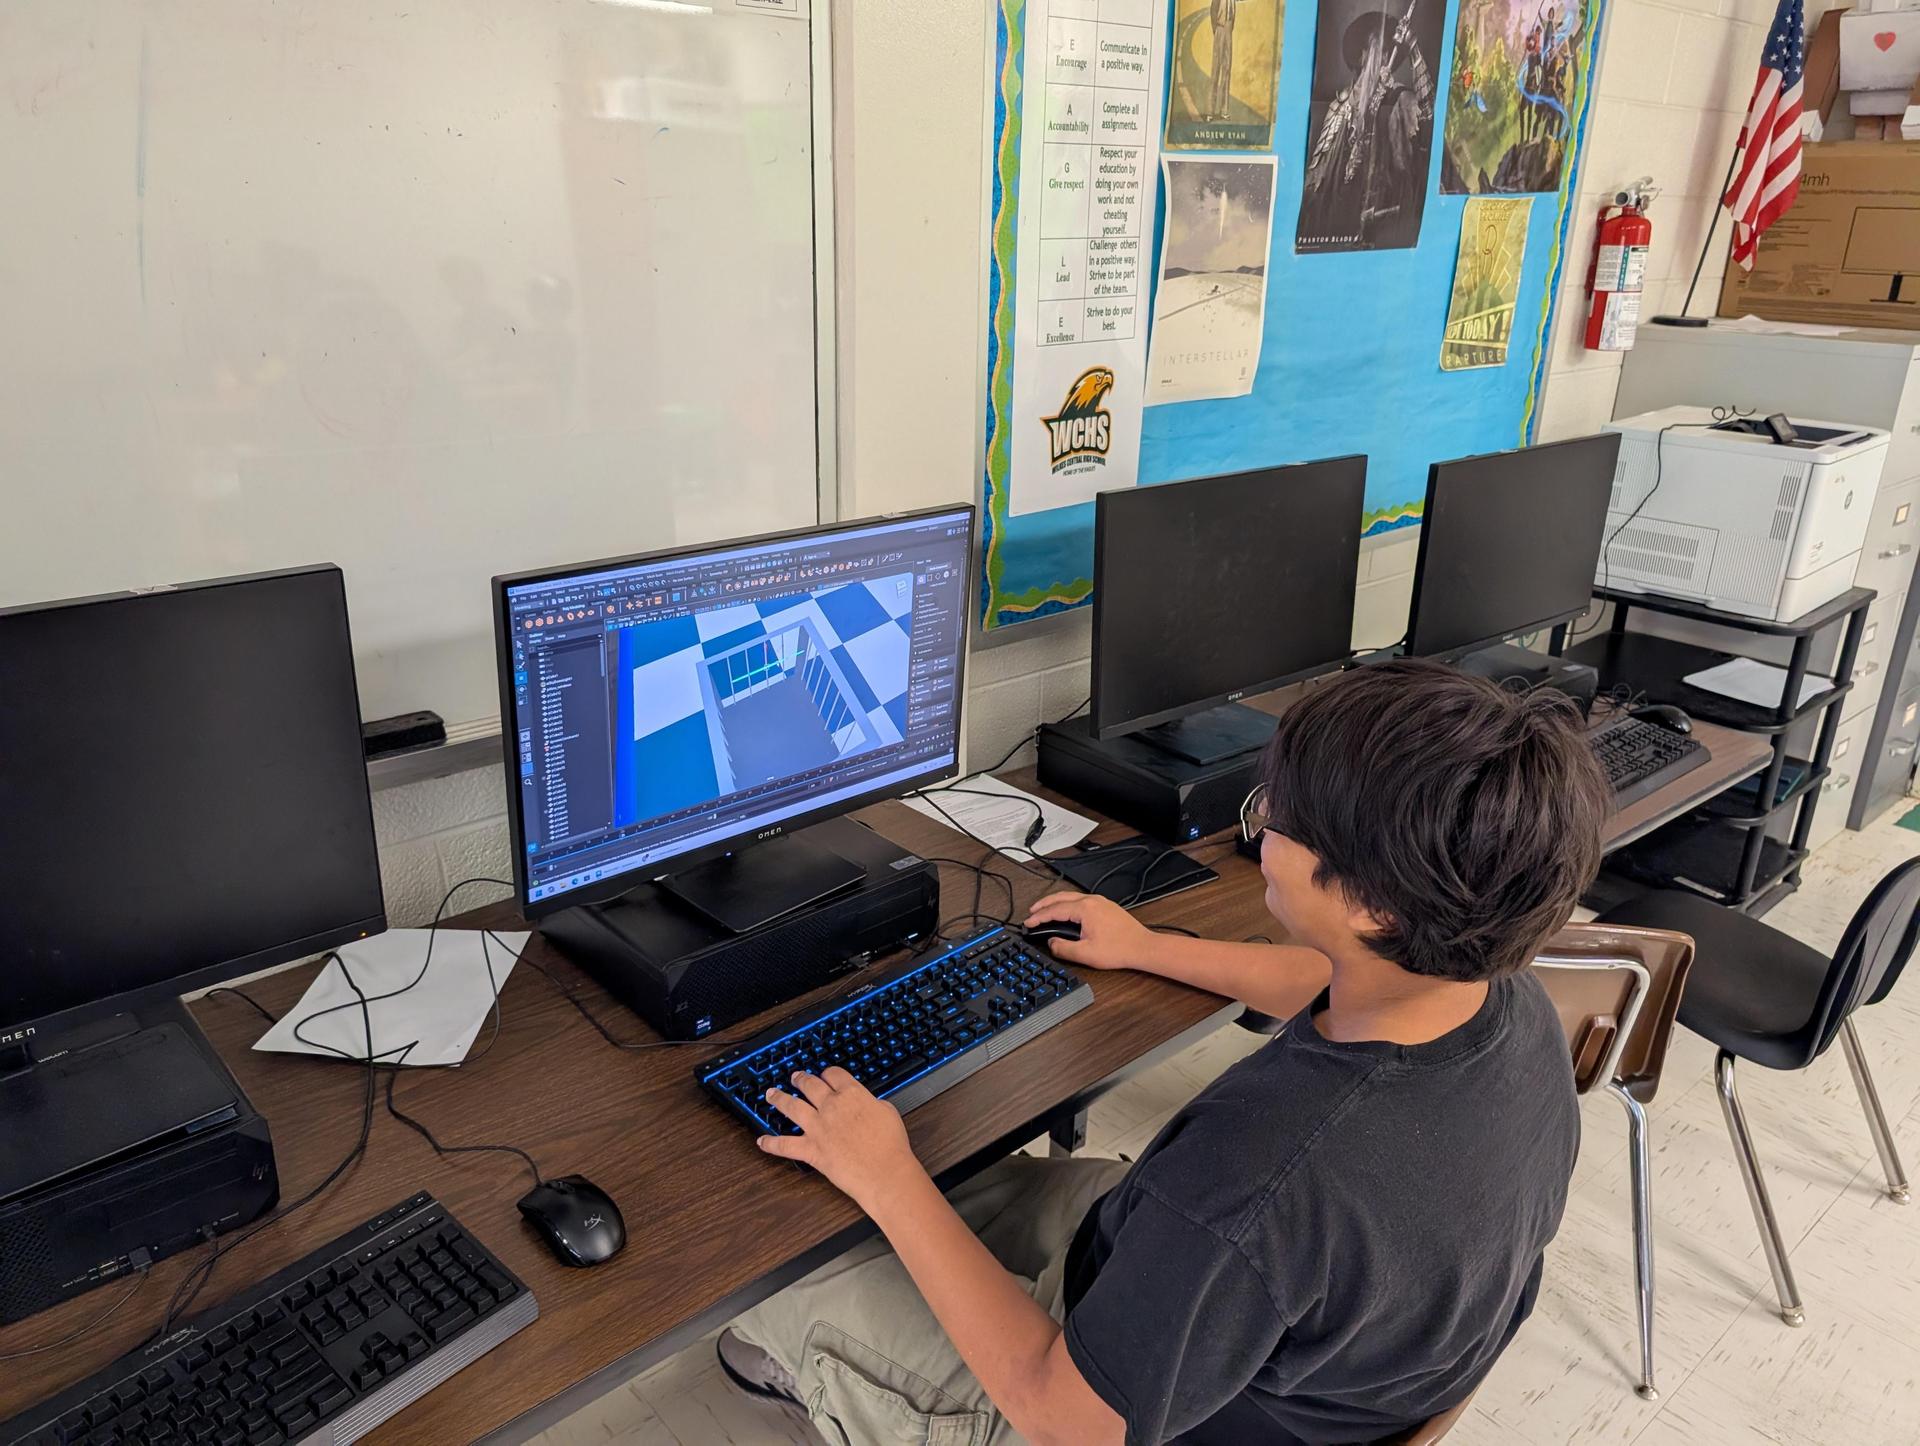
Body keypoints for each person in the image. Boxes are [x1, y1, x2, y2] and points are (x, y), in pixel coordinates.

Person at [718, 659, 1606, 1445]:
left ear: (1374, 905)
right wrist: (1145, 946)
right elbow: (1320, 981)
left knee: (762, 1290)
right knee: (928, 1182)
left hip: (1113, 1408)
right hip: (1275, 1346)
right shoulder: (1503, 1000)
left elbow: (1065, 1419)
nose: (1260, 830)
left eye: (1280, 817)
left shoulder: (1266, 1173)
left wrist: (886, 1177)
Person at [1209, 0, 1239, 121]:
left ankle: (1224, 110)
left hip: (1228, 31)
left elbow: (1233, 16)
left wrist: (1229, 29)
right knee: (1216, 69)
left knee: (1226, 70)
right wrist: (1216, 30)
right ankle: (1210, 111)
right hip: (1220, 29)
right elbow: (1213, 11)